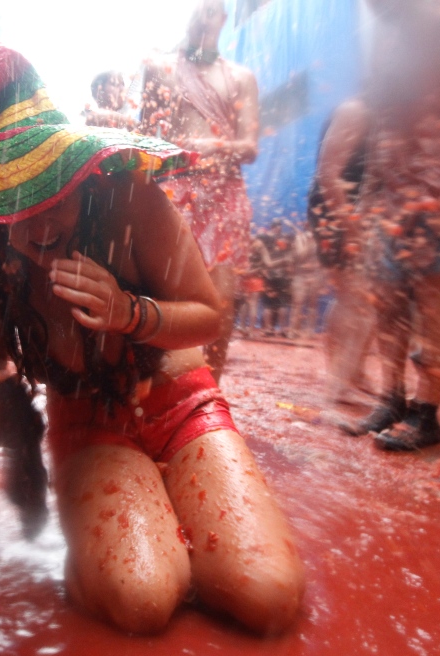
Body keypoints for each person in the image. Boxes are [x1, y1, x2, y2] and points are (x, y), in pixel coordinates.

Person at [0, 41, 304, 635]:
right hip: (89, 421)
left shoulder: (129, 200)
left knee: (267, 595)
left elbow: (209, 314)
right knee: (141, 601)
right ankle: (125, 520)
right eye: (16, 204)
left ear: (77, 174)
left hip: (177, 400)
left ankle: (170, 498)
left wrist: (128, 312)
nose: (37, 224)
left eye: (50, 195)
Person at [340, 0, 440, 452]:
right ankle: (391, 398)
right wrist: (368, 195)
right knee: (386, 298)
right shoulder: (385, 35)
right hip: (392, 190)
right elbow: (382, 123)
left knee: (434, 295)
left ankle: (426, 413)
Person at [141, 0, 260, 383]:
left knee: (221, 298)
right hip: (175, 193)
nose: (203, 15)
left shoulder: (241, 77)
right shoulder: (159, 68)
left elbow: (250, 147)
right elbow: (144, 140)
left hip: (225, 196)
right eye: (197, 7)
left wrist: (212, 148)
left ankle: (211, 391)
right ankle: (160, 388)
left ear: (224, 18)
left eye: (212, 9)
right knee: (167, 295)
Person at [309, 98, 376, 403]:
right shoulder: (356, 111)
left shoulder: (382, 119)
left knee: (361, 297)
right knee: (356, 298)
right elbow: (327, 174)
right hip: (335, 210)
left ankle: (353, 374)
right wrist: (352, 227)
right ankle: (339, 383)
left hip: (356, 213)